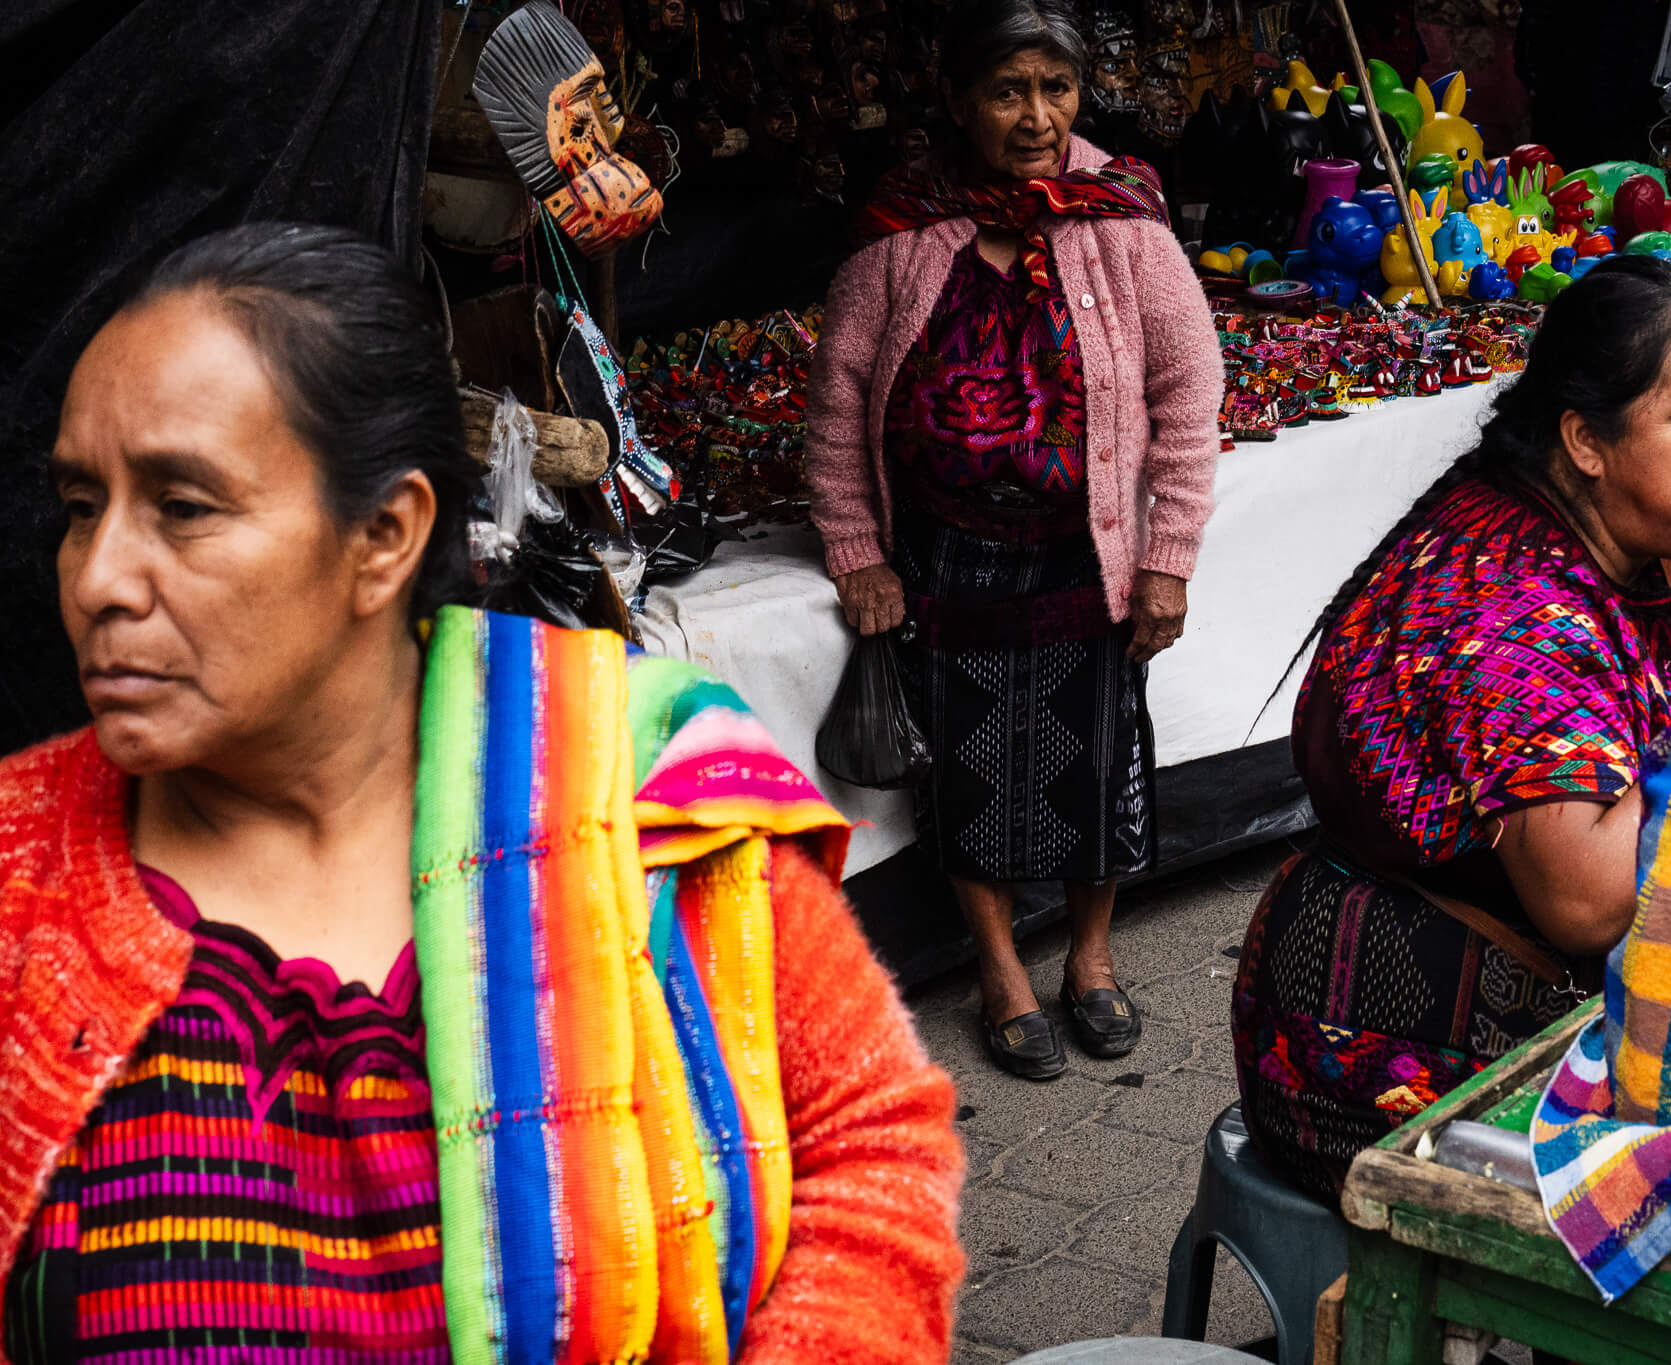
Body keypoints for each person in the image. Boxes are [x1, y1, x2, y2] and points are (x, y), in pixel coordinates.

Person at [0, 223, 965, 1363]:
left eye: (183, 506)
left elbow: (864, 1136)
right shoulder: (23, 885)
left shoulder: (630, 794)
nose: (100, 577)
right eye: (78, 506)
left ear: (383, 535)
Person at [1232, 258, 1671, 1200]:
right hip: (1383, 1049)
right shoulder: (1513, 613)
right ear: (1585, 442)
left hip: (1527, 995)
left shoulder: (1669, 537)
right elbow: (1589, 904)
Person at [806, 0, 1224, 1080]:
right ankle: (999, 973)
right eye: (1007, 90)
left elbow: (1189, 396)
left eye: (1056, 87)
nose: (1036, 115)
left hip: (1085, 560)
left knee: (1099, 764)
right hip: (950, 564)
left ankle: (1089, 961)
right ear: (959, 102)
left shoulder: (1122, 218)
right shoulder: (903, 227)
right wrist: (857, 550)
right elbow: (838, 399)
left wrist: (1166, 559)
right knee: (969, 770)